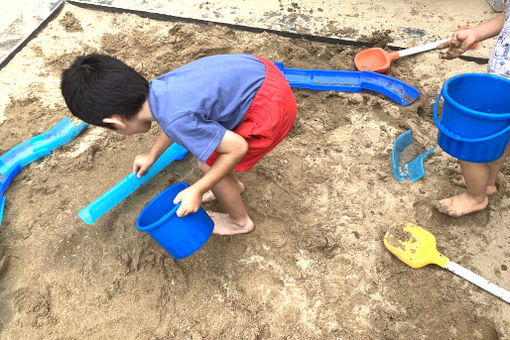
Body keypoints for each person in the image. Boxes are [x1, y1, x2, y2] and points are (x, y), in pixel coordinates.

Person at [61, 53, 297, 235]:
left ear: (115, 122)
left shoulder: (176, 119)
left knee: (207, 164)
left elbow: (237, 148)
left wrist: (198, 189)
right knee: (210, 155)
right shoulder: (160, 90)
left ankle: (238, 222)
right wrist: (153, 155)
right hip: (262, 75)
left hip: (271, 109)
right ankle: (232, 188)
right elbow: (175, 121)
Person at [435, 2, 510, 216]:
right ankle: (487, 183)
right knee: (500, 139)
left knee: (470, 145)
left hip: (503, 89)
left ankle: (476, 197)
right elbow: (507, 17)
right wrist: (475, 33)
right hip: (500, 80)